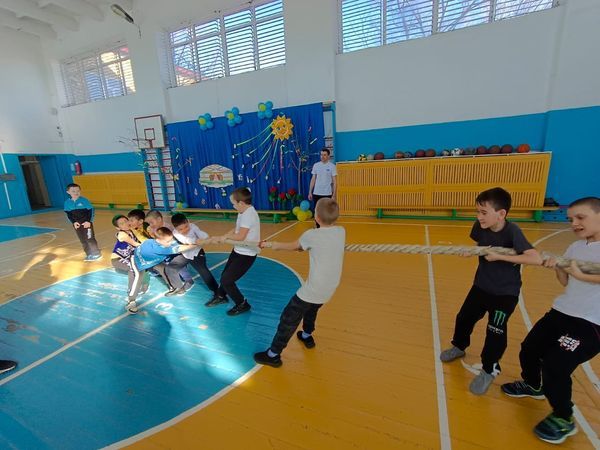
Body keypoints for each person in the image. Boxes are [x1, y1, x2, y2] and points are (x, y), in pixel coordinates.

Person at [501, 197, 600, 444]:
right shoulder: (575, 247)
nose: (574, 223)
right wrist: (558, 267)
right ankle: (534, 385)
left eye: (580, 217)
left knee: (556, 366)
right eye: (570, 219)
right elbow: (566, 282)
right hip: (562, 311)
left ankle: (564, 417)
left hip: (591, 323)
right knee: (529, 349)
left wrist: (576, 271)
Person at [439, 187, 542, 395]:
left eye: (483, 212)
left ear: (501, 214)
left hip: (505, 294)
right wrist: (472, 252)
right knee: (464, 318)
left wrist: (500, 257)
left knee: (495, 331)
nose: (479, 217)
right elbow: (481, 245)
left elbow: (535, 258)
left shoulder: (512, 231)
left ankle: (489, 369)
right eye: (477, 211)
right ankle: (459, 346)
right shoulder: (480, 226)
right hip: (481, 286)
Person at [254, 198, 345, 367]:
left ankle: (273, 354)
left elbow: (294, 246)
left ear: (316, 217)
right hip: (329, 288)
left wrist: (270, 244)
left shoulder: (311, 235)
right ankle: (306, 335)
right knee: (312, 309)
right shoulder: (341, 231)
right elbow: (310, 245)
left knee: (289, 318)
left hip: (314, 289)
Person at [211, 187, 260, 316]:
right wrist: (225, 235)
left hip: (247, 254)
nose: (233, 206)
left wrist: (224, 238)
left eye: (233, 204)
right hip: (238, 250)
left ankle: (242, 303)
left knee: (227, 280)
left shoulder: (249, 215)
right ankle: (221, 296)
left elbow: (240, 236)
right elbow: (237, 229)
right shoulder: (243, 211)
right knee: (225, 275)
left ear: (241, 203)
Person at [128, 227, 200, 313]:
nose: (170, 243)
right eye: (168, 241)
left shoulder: (153, 241)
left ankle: (173, 287)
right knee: (138, 278)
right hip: (137, 261)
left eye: (171, 240)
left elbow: (175, 245)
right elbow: (180, 248)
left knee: (164, 269)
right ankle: (131, 301)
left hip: (152, 261)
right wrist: (195, 245)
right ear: (159, 240)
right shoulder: (160, 249)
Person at [171, 213, 220, 302]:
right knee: (172, 266)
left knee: (204, 272)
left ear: (188, 222)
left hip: (196, 253)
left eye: (186, 226)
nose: (184, 230)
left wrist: (206, 238)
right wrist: (196, 241)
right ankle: (184, 283)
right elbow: (185, 240)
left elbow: (201, 233)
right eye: (180, 229)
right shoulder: (175, 233)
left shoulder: (193, 226)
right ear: (176, 229)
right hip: (185, 254)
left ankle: (217, 291)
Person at [110, 215, 149, 299]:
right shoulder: (122, 234)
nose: (125, 223)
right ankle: (131, 291)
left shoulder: (132, 230)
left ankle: (144, 285)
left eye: (126, 221)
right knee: (133, 269)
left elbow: (142, 239)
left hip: (129, 257)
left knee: (143, 265)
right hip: (118, 259)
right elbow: (135, 244)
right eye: (122, 223)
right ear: (118, 228)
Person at [64, 183, 101, 261]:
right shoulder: (67, 203)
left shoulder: (84, 200)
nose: (76, 192)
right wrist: (74, 222)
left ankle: (96, 253)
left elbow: (91, 211)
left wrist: (88, 221)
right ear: (68, 192)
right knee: (83, 240)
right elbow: (69, 215)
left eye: (78, 191)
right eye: (73, 191)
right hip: (77, 225)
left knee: (89, 238)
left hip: (86, 224)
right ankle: (89, 254)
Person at [308, 148, 337, 228]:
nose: (322, 156)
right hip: (316, 193)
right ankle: (318, 227)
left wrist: (334, 194)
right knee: (317, 211)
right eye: (321, 155)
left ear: (328, 156)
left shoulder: (332, 166)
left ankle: (327, 227)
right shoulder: (316, 165)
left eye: (324, 155)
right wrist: (310, 192)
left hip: (327, 193)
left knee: (327, 211)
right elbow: (313, 179)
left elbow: (335, 181)